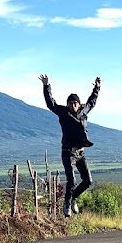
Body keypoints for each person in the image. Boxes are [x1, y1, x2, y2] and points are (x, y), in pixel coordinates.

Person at [39, 74, 100, 217]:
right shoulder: (64, 113)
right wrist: (47, 86)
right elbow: (51, 104)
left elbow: (92, 101)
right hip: (68, 152)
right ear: (67, 104)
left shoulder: (84, 110)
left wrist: (97, 87)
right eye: (70, 103)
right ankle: (67, 202)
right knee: (71, 180)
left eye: (75, 103)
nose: (72, 106)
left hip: (81, 152)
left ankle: (73, 198)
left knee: (88, 181)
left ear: (79, 104)